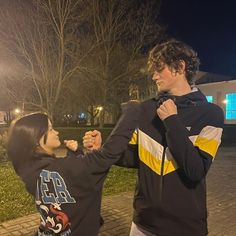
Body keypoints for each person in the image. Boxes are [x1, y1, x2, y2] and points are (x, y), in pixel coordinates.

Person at [84, 39, 224, 236]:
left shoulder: (210, 114)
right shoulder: (145, 110)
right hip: (143, 225)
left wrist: (172, 121)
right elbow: (132, 158)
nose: (153, 75)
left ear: (180, 67)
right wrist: (101, 148)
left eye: (159, 68)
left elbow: (195, 170)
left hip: (186, 227)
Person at [7, 101, 140, 236]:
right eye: (51, 129)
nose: (56, 132)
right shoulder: (64, 170)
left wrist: (76, 153)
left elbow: (71, 183)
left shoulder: (28, 170)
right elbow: (107, 155)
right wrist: (131, 111)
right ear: (37, 139)